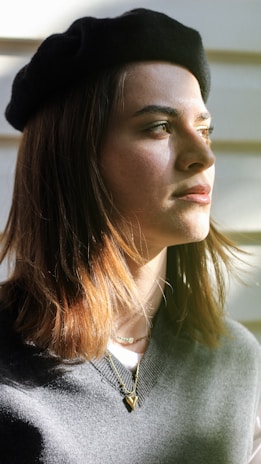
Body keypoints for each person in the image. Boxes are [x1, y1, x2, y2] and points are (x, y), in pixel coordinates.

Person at [0, 7, 260, 464]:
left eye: (205, 129)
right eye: (159, 127)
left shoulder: (235, 361)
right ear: (74, 159)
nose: (203, 155)